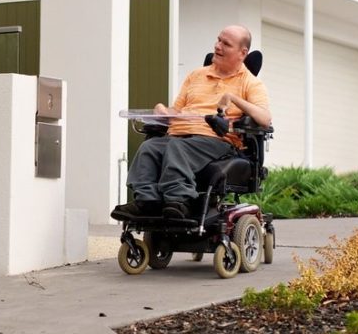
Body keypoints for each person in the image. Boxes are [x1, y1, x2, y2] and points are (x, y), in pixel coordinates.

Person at [115, 25, 271, 219]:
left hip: (216, 139)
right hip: (179, 133)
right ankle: (147, 201)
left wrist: (233, 98)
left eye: (226, 44)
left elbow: (265, 118)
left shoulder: (250, 83)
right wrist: (162, 111)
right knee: (150, 147)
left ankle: (179, 200)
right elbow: (177, 111)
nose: (218, 46)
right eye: (218, 40)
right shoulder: (196, 75)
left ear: (242, 53)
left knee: (176, 148)